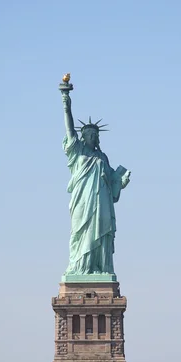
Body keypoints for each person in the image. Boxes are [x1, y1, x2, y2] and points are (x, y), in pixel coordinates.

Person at [61, 90, 131, 276]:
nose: (92, 137)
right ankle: (80, 268)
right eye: (89, 134)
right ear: (83, 137)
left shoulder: (102, 157)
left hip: (102, 205)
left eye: (95, 134)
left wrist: (120, 182)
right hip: (83, 203)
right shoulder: (78, 153)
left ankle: (100, 267)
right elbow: (69, 131)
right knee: (81, 233)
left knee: (101, 231)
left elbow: (112, 184)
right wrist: (66, 104)